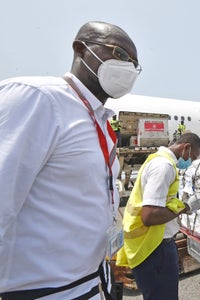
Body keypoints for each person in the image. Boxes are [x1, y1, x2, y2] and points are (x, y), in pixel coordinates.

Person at [0, 21, 141, 299]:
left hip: (92, 284)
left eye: (135, 64)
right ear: (81, 49)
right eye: (120, 54)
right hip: (42, 291)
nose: (128, 68)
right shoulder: (38, 98)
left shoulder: (98, 119)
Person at [116, 132, 200, 300]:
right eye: (192, 157)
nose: (190, 162)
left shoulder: (156, 160)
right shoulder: (164, 166)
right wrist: (185, 207)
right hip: (156, 247)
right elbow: (150, 216)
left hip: (149, 244)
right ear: (186, 147)